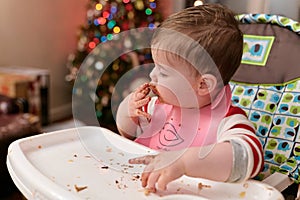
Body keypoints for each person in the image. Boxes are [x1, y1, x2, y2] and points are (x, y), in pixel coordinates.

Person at [116, 3, 264, 192]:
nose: (152, 75)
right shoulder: (157, 107)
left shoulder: (227, 122)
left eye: (163, 72)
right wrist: (128, 110)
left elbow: (248, 156)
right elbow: (126, 132)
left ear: (203, 85)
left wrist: (184, 162)